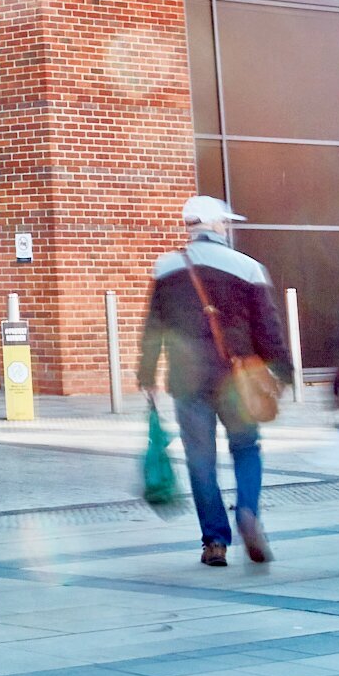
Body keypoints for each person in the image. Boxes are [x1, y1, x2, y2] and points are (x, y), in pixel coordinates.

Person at [146, 195, 285, 566]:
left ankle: (214, 542)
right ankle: (247, 513)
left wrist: (146, 374)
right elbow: (268, 328)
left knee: (200, 460)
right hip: (237, 377)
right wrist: (281, 370)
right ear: (216, 225)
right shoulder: (249, 268)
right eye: (225, 222)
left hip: (187, 380)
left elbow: (154, 327)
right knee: (246, 448)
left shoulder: (165, 268)